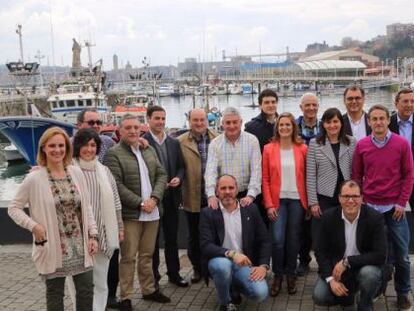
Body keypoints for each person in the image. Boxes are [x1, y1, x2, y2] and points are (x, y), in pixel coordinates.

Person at [8, 127, 98, 311]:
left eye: (61, 145)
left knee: (86, 290)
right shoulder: (34, 178)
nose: (57, 150)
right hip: (53, 246)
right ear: (43, 149)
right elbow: (13, 208)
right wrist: (34, 226)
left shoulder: (76, 172)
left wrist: (93, 234)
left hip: (80, 245)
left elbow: (87, 206)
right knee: (56, 293)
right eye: (52, 146)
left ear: (67, 148)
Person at [104, 114, 170, 311]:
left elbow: (161, 174)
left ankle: (149, 290)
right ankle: (126, 297)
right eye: (128, 128)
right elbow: (116, 185)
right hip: (131, 214)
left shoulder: (147, 149)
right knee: (128, 257)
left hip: (153, 212)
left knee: (147, 255)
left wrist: (155, 199)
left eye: (135, 127)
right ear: (120, 131)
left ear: (141, 129)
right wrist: (141, 203)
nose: (133, 131)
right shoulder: (114, 154)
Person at [352, 104, 414, 310]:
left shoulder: (401, 144)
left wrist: (401, 203)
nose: (378, 122)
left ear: (389, 120)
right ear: (369, 122)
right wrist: (360, 199)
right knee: (375, 253)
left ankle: (403, 292)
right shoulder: (362, 145)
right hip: (370, 209)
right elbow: (356, 175)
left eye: (382, 118)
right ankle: (374, 289)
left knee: (403, 256)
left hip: (394, 209)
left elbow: (408, 175)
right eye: (374, 119)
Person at [313, 180, 387, 311]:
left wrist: (347, 262)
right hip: (338, 270)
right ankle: (348, 299)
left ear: (362, 198)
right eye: (346, 196)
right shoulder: (328, 217)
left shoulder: (374, 218)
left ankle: (365, 303)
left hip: (363, 266)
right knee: (320, 295)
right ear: (339, 198)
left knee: (369, 275)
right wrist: (331, 280)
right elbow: (320, 251)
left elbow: (380, 255)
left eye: (355, 196)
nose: (351, 200)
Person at [199, 175, 270, 311]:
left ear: (237, 190)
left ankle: (232, 285)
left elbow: (264, 240)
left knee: (260, 293)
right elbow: (205, 245)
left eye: (231, 188)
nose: (227, 192)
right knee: (223, 266)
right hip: (220, 261)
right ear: (217, 191)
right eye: (223, 188)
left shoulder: (250, 210)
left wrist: (263, 266)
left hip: (244, 264)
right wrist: (231, 254)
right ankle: (225, 303)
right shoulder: (208, 213)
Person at [72, 128, 124, 311]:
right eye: (85, 145)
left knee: (101, 282)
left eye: (93, 145)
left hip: (103, 234)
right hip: (78, 235)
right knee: (81, 284)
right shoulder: (69, 171)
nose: (89, 149)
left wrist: (120, 227)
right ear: (77, 146)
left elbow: (116, 200)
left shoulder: (105, 171)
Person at [262, 112, 308, 297]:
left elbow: (307, 177)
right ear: (277, 127)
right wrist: (269, 205)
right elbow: (265, 179)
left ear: (293, 127)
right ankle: (278, 275)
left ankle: (291, 275)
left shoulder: (303, 148)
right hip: (277, 201)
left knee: (293, 241)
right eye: (281, 125)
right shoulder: (268, 149)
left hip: (297, 200)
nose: (284, 128)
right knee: (278, 241)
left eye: (288, 125)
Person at [143, 106, 188, 287]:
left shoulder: (173, 142)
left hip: (171, 198)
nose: (161, 122)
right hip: (153, 199)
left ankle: (174, 274)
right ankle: (153, 278)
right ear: (148, 119)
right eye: (157, 118)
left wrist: (179, 177)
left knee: (172, 239)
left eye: (163, 118)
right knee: (152, 242)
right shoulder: (142, 143)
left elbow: (181, 166)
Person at [306, 108, 356, 260]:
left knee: (344, 234)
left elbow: (355, 170)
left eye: (336, 121)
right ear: (324, 124)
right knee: (323, 234)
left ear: (341, 123)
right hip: (324, 196)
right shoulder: (315, 143)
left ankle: (344, 264)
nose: (332, 125)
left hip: (346, 197)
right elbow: (310, 175)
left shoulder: (351, 142)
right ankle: (325, 268)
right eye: (329, 122)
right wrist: (313, 202)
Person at [177, 108, 217, 283]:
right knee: (193, 236)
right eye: (195, 120)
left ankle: (212, 268)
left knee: (214, 235)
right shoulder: (180, 142)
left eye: (202, 120)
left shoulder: (217, 138)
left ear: (207, 121)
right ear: (189, 121)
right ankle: (197, 269)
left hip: (214, 197)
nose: (199, 123)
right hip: (192, 196)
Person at [205, 107, 261, 210]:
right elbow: (210, 172)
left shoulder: (252, 141)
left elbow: (256, 172)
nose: (232, 126)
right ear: (222, 124)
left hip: (246, 195)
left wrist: (250, 195)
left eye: (235, 122)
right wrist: (211, 195)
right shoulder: (215, 144)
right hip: (224, 196)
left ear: (241, 122)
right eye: (228, 123)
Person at [295, 92, 321, 276]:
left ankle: (323, 260)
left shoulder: (326, 126)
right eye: (307, 105)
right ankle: (303, 260)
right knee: (302, 227)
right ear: (301, 107)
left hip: (321, 182)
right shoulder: (292, 126)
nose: (311, 108)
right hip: (297, 181)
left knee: (321, 225)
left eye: (314, 105)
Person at [389, 88, 414, 215]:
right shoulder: (387, 123)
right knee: (394, 217)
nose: (409, 105)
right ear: (396, 103)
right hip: (394, 179)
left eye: (412, 101)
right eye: (405, 101)